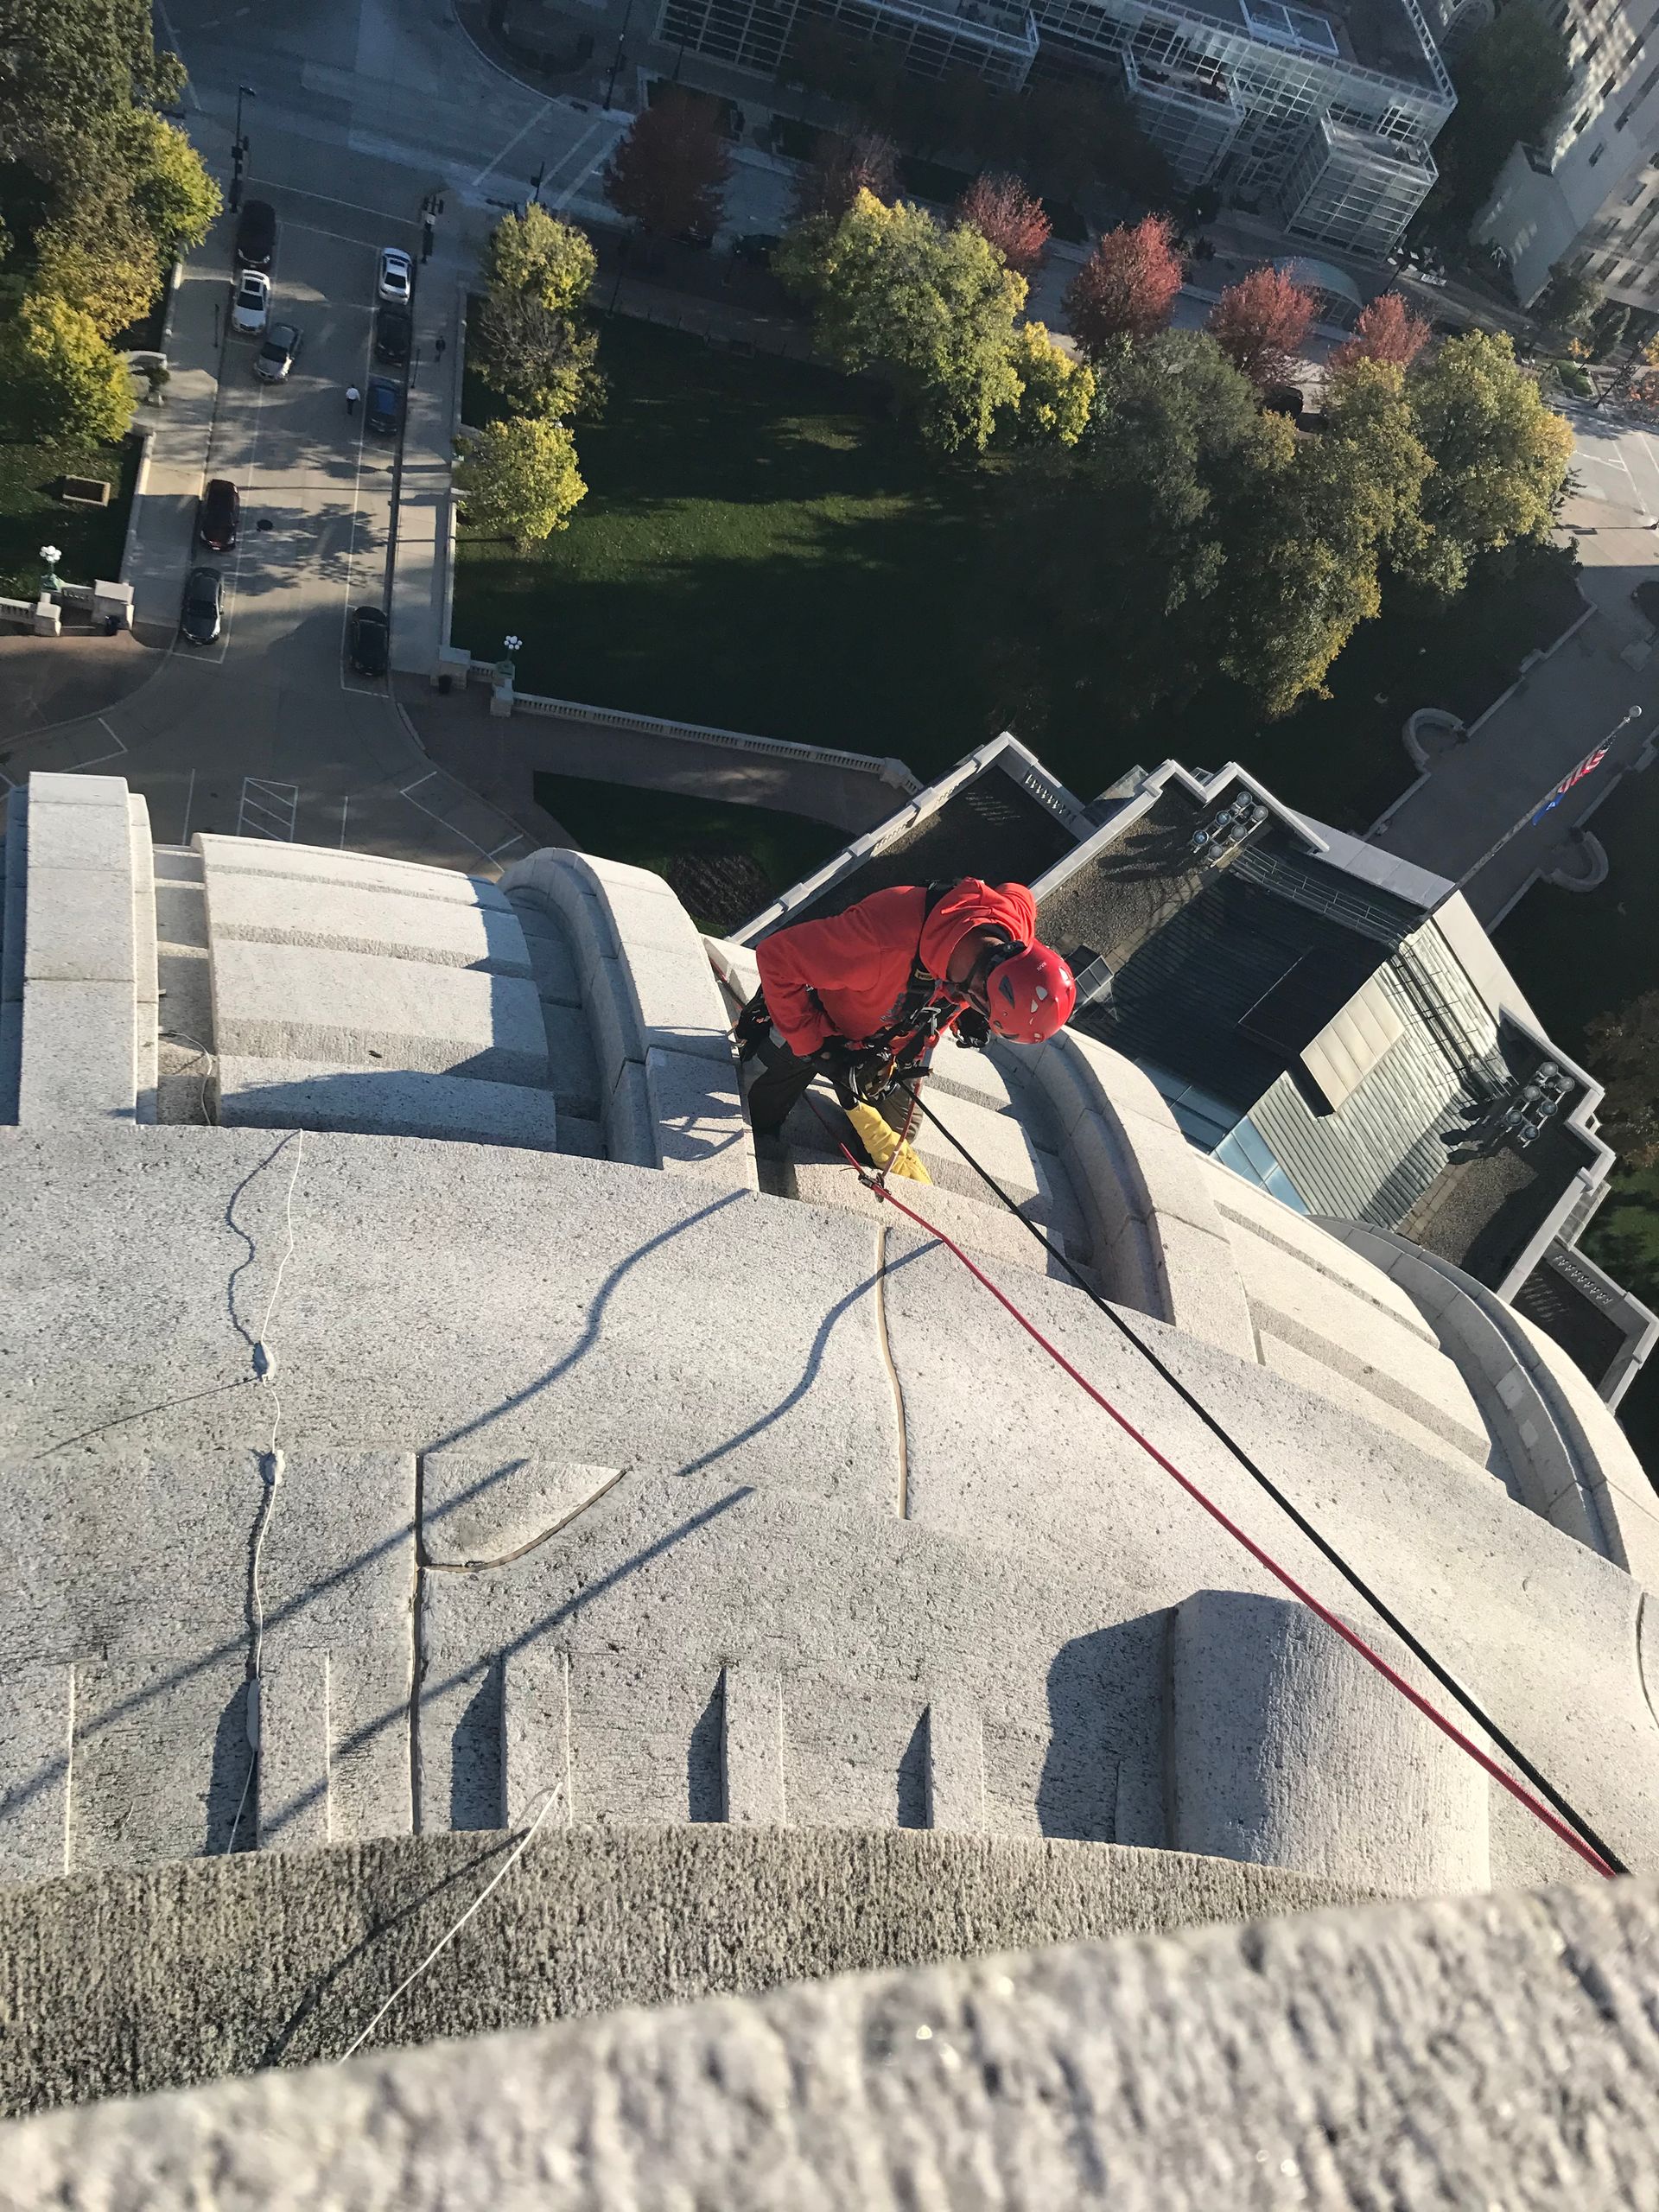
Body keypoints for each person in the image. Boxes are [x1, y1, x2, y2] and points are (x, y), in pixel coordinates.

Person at [739, 879, 1076, 1141]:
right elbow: (775, 957)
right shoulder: (879, 942)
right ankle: (778, 1029)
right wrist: (817, 1049)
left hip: (893, 1040)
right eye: (983, 1009)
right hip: (826, 1022)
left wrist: (968, 1013)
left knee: (901, 1135)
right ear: (977, 991)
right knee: (756, 1113)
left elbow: (1020, 896)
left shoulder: (1011, 928)